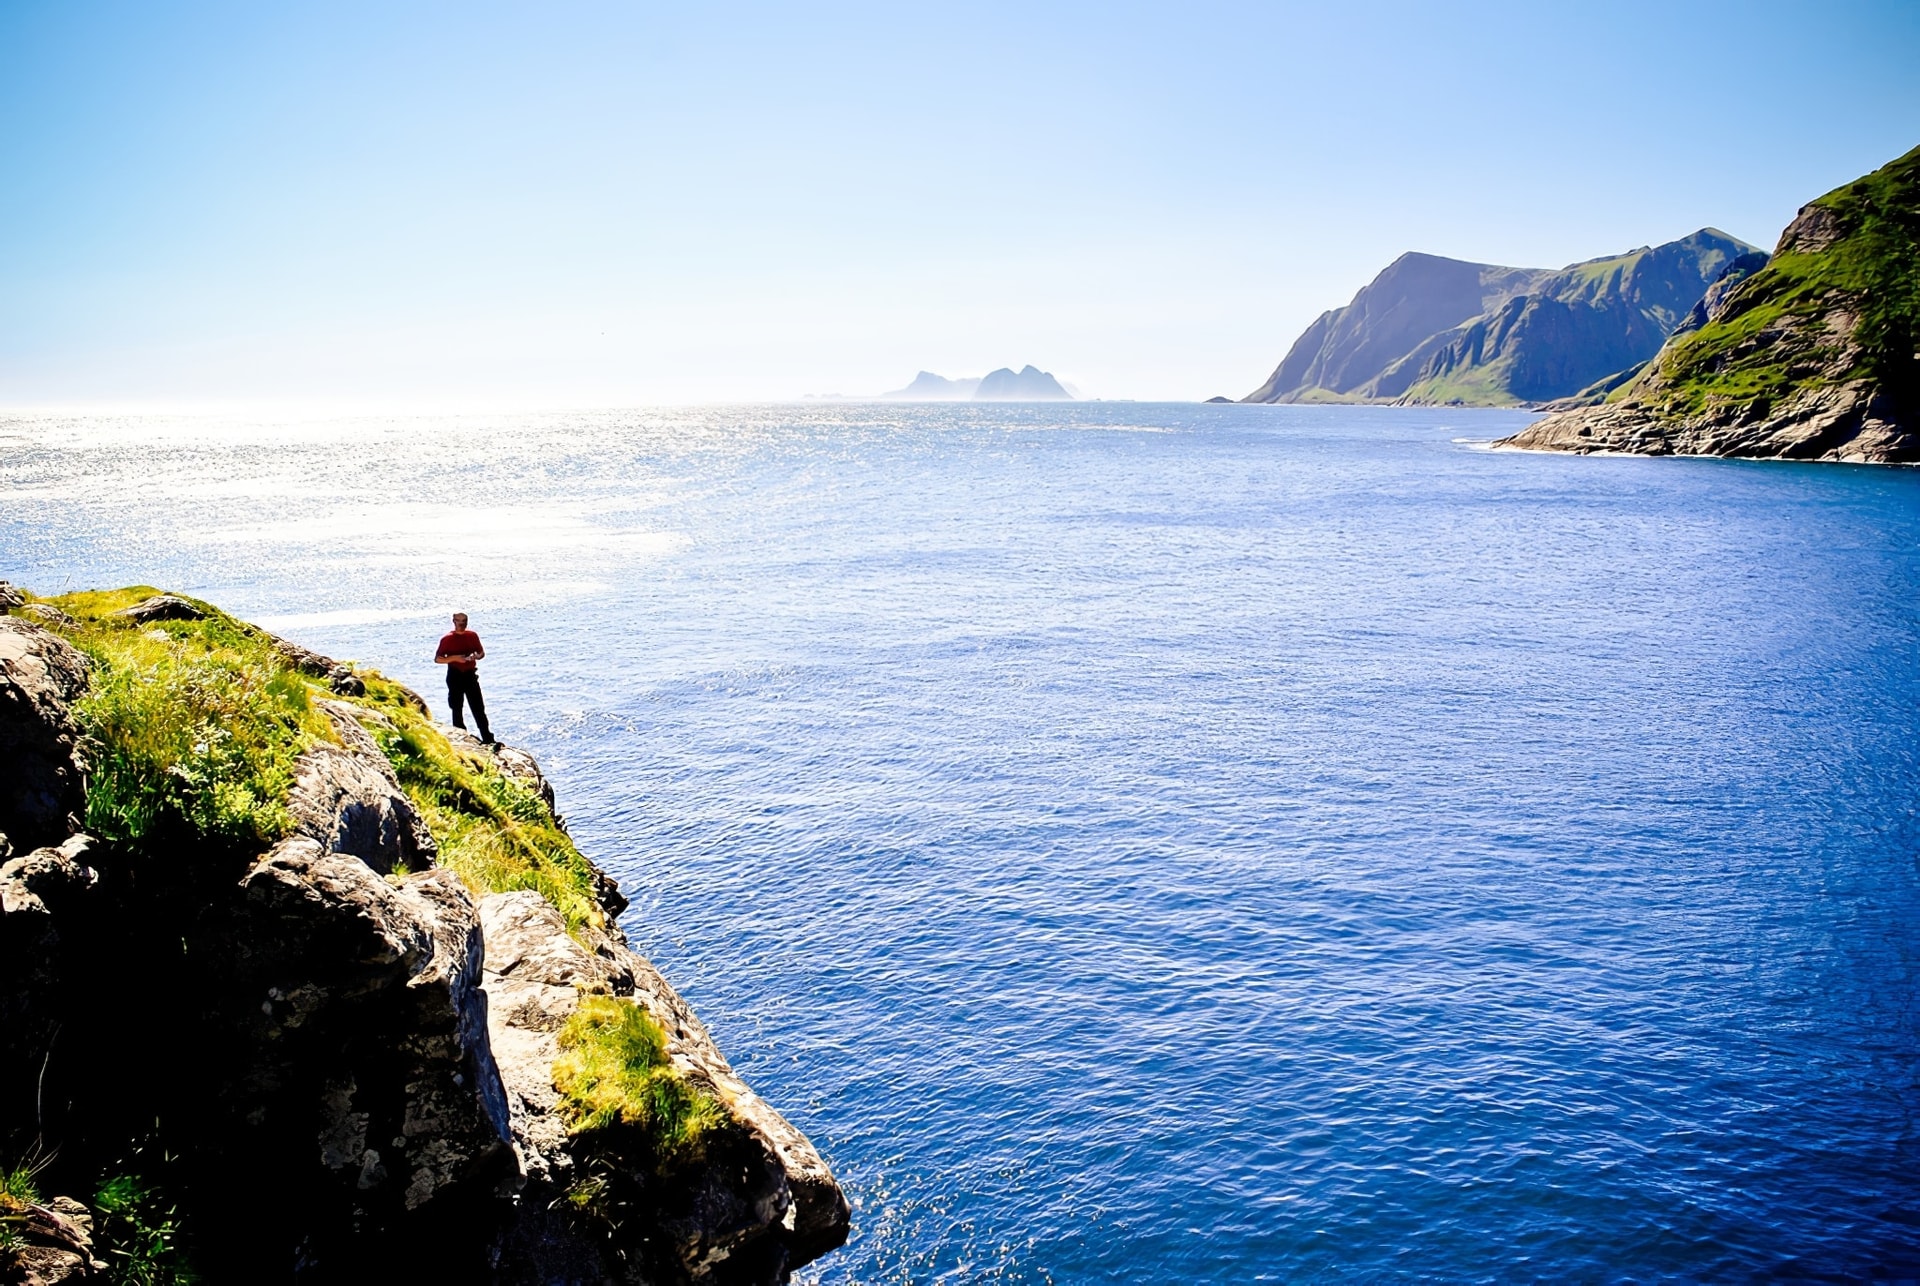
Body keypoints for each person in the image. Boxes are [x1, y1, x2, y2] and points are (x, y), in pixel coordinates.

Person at [434, 612, 495, 745]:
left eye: (464, 621)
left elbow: (481, 653)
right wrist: (455, 658)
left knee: (478, 707)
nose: (461, 624)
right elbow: (438, 659)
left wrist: (476, 656)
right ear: (454, 621)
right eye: (459, 621)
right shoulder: (447, 639)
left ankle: (487, 738)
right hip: (455, 674)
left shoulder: (472, 636)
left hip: (470, 675)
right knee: (456, 707)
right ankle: (460, 736)